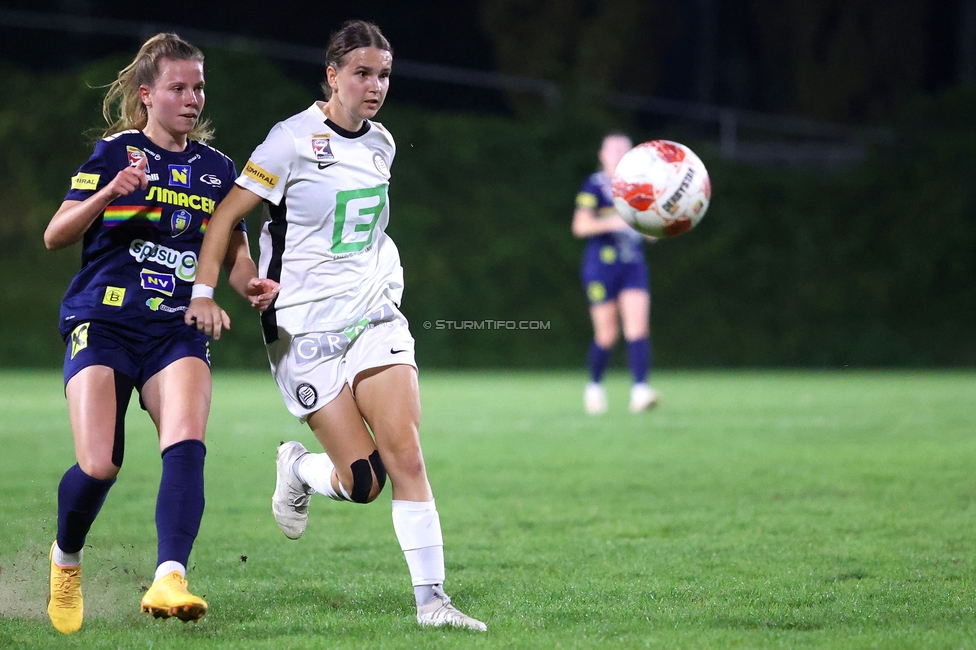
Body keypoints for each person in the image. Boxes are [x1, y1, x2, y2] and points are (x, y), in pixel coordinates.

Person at [185, 20, 486, 632]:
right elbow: (226, 218)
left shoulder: (383, 144)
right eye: (362, 73)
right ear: (332, 74)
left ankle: (432, 602)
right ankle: (297, 468)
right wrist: (211, 289)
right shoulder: (289, 142)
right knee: (364, 482)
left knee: (406, 453)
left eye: (384, 75)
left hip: (373, 311)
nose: (375, 86)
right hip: (301, 328)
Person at [43, 33, 274, 634]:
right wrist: (111, 194)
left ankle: (170, 575)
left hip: (175, 328)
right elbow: (56, 234)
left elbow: (233, 253)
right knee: (98, 466)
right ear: (147, 96)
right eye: (178, 87)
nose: (192, 97)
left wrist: (250, 285)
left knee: (186, 441)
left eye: (198, 86)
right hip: (103, 320)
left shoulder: (217, 170)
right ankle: (66, 560)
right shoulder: (116, 153)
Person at [571, 132, 660, 415]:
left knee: (638, 327)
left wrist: (658, 220)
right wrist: (617, 221)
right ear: (602, 155)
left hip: (632, 262)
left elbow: (653, 235)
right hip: (600, 266)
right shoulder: (594, 186)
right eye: (613, 150)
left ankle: (640, 391)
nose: (619, 154)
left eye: (624, 149)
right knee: (607, 334)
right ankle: (594, 387)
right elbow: (581, 227)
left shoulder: (641, 188)